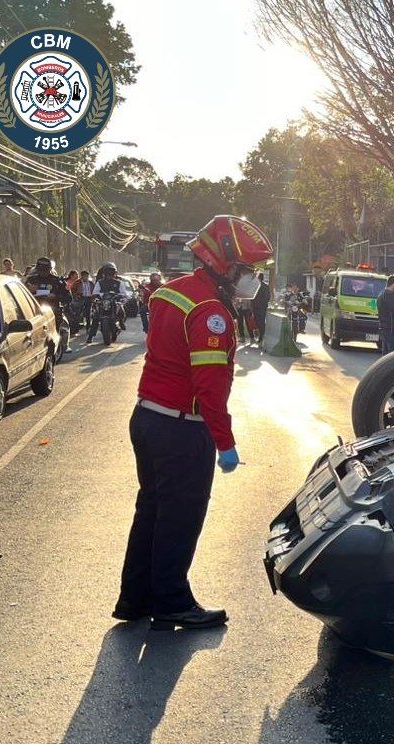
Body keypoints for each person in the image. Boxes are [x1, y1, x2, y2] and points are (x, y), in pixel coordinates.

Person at [117, 214, 272, 630]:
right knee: (180, 516)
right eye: (249, 272)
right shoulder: (210, 312)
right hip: (182, 429)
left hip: (148, 417)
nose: (252, 280)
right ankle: (171, 602)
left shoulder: (172, 292)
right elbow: (210, 387)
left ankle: (134, 597)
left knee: (150, 509)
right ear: (227, 266)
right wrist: (224, 442)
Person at [250, 273, 270, 345]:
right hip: (255, 307)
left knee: (261, 322)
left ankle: (262, 336)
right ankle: (261, 336)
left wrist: (260, 303)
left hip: (262, 307)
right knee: (257, 322)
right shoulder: (255, 286)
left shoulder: (265, 286)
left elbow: (267, 297)